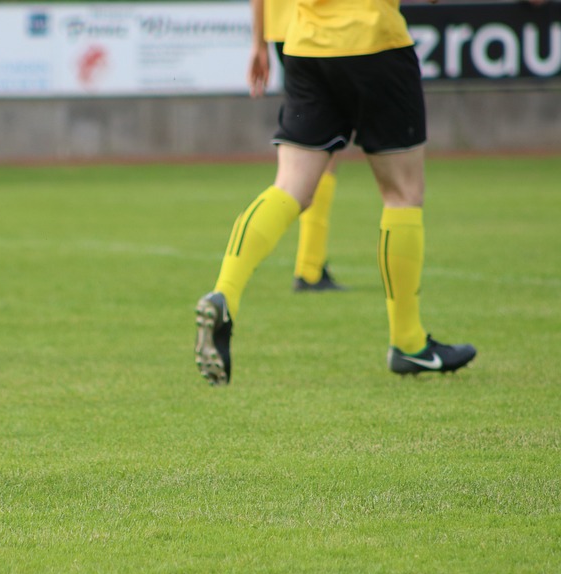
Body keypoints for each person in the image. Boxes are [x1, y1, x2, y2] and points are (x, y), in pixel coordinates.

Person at [194, 0, 477, 386]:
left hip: (305, 44)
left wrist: (259, 41)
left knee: (290, 186)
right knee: (402, 194)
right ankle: (408, 343)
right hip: (373, 40)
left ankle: (225, 293)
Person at [248, 0, 345, 292]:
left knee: (317, 151)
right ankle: (309, 267)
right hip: (320, 28)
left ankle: (311, 264)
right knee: (319, 154)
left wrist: (259, 44)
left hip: (283, 30)